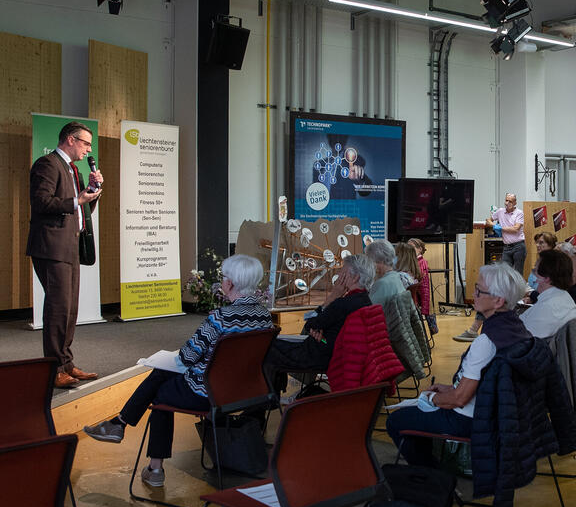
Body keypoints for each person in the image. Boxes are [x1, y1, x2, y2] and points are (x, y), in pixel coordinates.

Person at [83, 255, 273, 487]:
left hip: (209, 394)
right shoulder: (265, 317)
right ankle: (120, 427)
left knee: (161, 388)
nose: (222, 281)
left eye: (223, 277)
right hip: (246, 391)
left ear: (230, 284)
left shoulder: (220, 318)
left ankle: (152, 464)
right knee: (164, 377)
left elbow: (187, 357)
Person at [386, 263, 533, 466]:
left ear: (498, 301)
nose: (473, 294)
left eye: (479, 291)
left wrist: (432, 398)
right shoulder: (519, 329)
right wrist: (450, 389)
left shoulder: (487, 341)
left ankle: (432, 477)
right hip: (501, 415)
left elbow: (459, 399)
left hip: (473, 420)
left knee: (396, 420)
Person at [26, 120, 104, 388]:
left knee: (69, 309)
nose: (88, 150)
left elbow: (81, 211)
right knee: (57, 309)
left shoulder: (74, 170)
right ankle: (54, 369)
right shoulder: (47, 164)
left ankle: (66, 363)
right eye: (85, 143)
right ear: (70, 139)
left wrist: (92, 193)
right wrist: (77, 200)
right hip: (51, 246)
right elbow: (41, 202)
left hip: (70, 245)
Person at [261, 254, 374, 392]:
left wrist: (333, 296)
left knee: (267, 348)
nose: (338, 275)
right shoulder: (365, 301)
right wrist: (324, 338)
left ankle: (268, 399)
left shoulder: (343, 303)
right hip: (331, 349)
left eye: (343, 272)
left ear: (355, 277)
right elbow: (328, 333)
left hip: (321, 355)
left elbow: (309, 325)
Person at [520, 250, 576, 339]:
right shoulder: (564, 297)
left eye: (535, 270)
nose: (534, 277)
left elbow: (521, 340)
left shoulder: (547, 308)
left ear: (547, 278)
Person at [485, 193, 526, 275]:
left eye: (510, 201)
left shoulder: (519, 213)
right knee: (505, 272)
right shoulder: (500, 211)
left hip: (518, 246)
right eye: (506, 200)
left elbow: (515, 229)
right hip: (507, 247)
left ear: (515, 203)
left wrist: (501, 228)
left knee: (518, 273)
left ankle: (517, 288)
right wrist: (495, 226)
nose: (507, 203)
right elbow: (488, 220)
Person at [408, 238, 438, 335]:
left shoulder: (421, 262)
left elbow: (422, 284)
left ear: (419, 249)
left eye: (412, 247)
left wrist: (424, 306)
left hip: (418, 297)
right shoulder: (413, 261)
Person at [365, 238, 406, 307]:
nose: (369, 264)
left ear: (379, 261)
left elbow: (369, 312)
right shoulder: (395, 276)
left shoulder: (382, 283)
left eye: (370, 260)